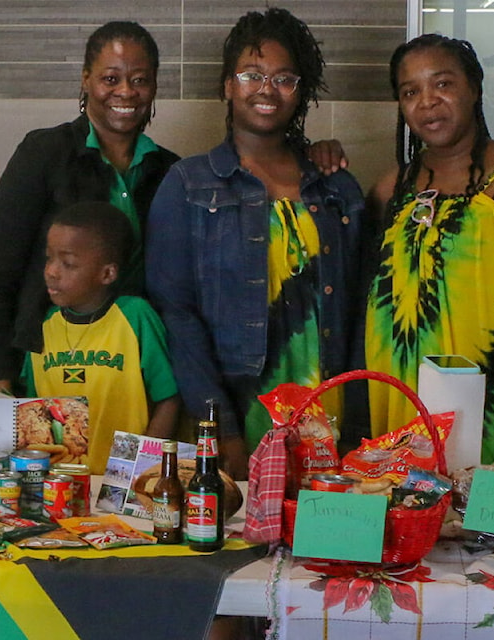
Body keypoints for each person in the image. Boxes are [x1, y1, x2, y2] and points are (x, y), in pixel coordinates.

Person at [145, 8, 367, 480]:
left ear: (300, 91)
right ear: (228, 85)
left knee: (324, 546)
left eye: (284, 78)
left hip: (327, 419)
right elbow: (177, 317)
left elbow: (358, 314)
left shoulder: (335, 188)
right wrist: (219, 426)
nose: (266, 89)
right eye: (251, 74)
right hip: (237, 413)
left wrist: (359, 424)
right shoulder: (187, 184)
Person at [365, 34, 494, 464]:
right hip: (403, 409)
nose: (427, 102)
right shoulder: (389, 189)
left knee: (488, 529)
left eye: (442, 84)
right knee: (413, 526)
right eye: (410, 91)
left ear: (473, 88)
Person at [0, 21, 179, 397]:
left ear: (154, 86)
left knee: (120, 458)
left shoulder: (171, 172)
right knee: (47, 455)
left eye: (140, 80)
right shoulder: (44, 154)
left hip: (130, 378)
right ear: (86, 80)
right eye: (110, 79)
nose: (126, 92)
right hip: (39, 371)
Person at [21, 201, 179, 474]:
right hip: (62, 484)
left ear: (107, 273)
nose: (51, 271)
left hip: (122, 481)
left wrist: (144, 466)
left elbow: (169, 397)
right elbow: (35, 411)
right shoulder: (45, 325)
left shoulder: (134, 316)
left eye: (68, 263)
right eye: (49, 258)